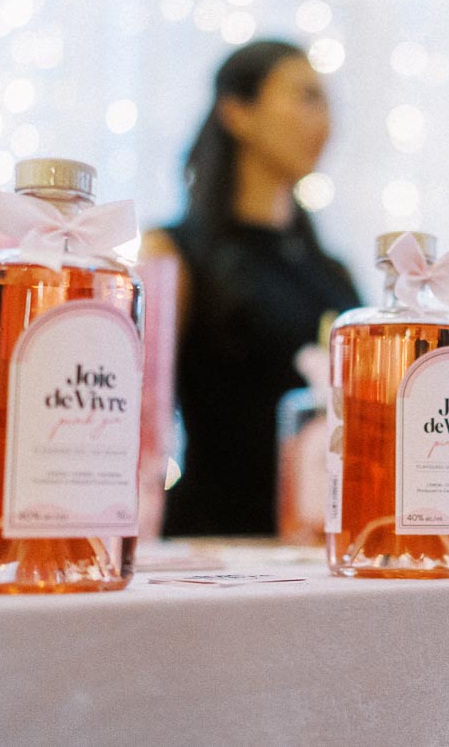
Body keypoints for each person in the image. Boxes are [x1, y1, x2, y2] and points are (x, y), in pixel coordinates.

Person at [142, 40, 361, 536]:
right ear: (237, 112)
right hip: (215, 546)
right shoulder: (172, 252)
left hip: (327, 544)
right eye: (306, 97)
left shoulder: (333, 272)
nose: (324, 121)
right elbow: (140, 412)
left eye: (327, 101)